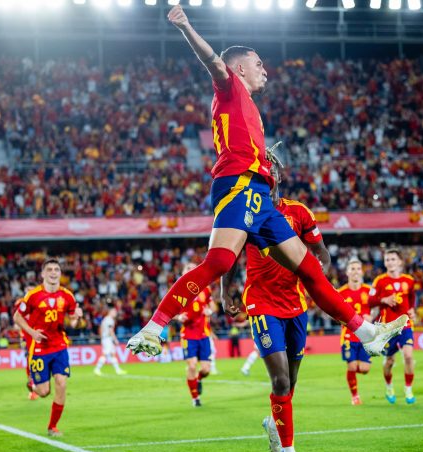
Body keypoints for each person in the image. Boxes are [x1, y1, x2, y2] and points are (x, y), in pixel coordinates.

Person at [127, 4, 405, 370]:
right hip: (239, 185)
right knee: (220, 261)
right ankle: (153, 328)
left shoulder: (247, 107)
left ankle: (368, 334)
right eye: (259, 64)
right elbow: (212, 61)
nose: (265, 71)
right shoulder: (230, 87)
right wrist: (186, 28)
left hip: (260, 197)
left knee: (310, 270)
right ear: (240, 68)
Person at [220, 159, 334, 452]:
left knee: (291, 382)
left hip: (295, 305)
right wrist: (225, 290)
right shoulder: (246, 211)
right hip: (261, 303)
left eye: (271, 170)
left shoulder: (299, 212)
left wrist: (318, 275)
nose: (267, 174)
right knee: (281, 381)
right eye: (261, 170)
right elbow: (231, 253)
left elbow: (322, 253)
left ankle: (274, 421)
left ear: (278, 176)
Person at [13, 258, 82, 437]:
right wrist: (31, 332)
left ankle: (52, 427)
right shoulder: (33, 295)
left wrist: (77, 317)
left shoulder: (67, 296)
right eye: (49, 269)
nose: (53, 272)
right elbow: (17, 317)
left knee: (62, 383)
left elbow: (73, 323)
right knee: (44, 392)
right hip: (39, 348)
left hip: (59, 345)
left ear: (60, 273)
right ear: (43, 274)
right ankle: (32, 385)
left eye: (56, 270)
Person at [369, 249, 417, 405]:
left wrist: (412, 309)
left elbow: (412, 297)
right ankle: (389, 387)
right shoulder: (380, 281)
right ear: (384, 263)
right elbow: (370, 301)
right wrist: (384, 300)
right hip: (387, 328)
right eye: (387, 259)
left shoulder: (409, 280)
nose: (390, 262)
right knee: (389, 361)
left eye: (393, 259)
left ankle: (408, 389)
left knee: (408, 357)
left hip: (405, 325)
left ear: (400, 262)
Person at [176, 263, 215, 407]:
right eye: (187, 268)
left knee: (206, 370)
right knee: (192, 365)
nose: (190, 270)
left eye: (193, 268)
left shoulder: (205, 288)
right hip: (188, 335)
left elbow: (212, 306)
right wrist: (178, 317)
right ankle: (195, 398)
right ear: (183, 273)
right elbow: (170, 312)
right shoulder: (178, 291)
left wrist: (210, 311)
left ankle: (198, 379)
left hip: (204, 334)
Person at [338, 258, 374, 406]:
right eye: (352, 269)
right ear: (347, 272)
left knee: (364, 369)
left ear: (362, 272)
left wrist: (372, 316)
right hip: (348, 336)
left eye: (358, 269)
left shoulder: (369, 290)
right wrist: (341, 319)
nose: (355, 272)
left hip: (365, 337)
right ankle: (355, 396)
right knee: (352, 366)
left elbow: (376, 307)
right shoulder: (341, 292)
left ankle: (352, 372)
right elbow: (334, 312)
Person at [15, 286, 38, 400]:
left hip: (36, 336)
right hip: (26, 337)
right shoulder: (20, 304)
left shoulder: (39, 304)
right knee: (30, 361)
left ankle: (37, 385)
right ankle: (33, 387)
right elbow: (17, 319)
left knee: (39, 362)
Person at [94, 302, 127, 376]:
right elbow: (111, 331)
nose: (115, 313)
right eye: (114, 312)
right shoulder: (109, 320)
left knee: (113, 354)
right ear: (110, 312)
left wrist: (102, 338)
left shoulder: (105, 319)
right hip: (107, 339)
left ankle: (118, 370)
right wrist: (115, 339)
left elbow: (101, 329)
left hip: (106, 338)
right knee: (105, 354)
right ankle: (97, 369)